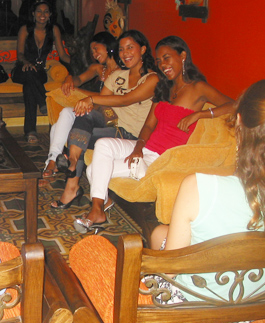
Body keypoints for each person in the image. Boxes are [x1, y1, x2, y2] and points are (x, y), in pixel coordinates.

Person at [74, 35, 234, 232]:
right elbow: (149, 126)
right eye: (159, 61)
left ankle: (98, 209)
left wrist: (201, 114)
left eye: (167, 58)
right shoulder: (164, 88)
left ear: (182, 55)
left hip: (161, 159)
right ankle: (99, 208)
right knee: (102, 146)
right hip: (145, 149)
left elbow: (234, 105)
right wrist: (138, 148)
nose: (163, 65)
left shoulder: (197, 88)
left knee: (93, 171)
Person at [146, 79, 264, 316]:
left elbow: (168, 272)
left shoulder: (197, 187)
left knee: (156, 239)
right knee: (161, 231)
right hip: (256, 309)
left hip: (198, 313)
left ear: (238, 122)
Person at [50, 30, 158, 209]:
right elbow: (101, 104)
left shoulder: (152, 78)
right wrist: (86, 103)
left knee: (80, 134)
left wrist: (91, 99)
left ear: (143, 49)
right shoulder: (117, 76)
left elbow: (126, 99)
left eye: (130, 47)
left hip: (130, 135)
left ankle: (72, 186)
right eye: (122, 49)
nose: (125, 53)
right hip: (112, 124)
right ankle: (73, 162)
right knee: (84, 116)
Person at [42, 31, 120, 180]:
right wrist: (69, 78)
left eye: (97, 49)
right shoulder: (99, 69)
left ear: (108, 46)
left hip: (110, 115)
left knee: (62, 119)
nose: (95, 53)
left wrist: (80, 93)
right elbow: (79, 79)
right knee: (59, 122)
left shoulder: (122, 71)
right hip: (95, 110)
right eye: (92, 51)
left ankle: (51, 162)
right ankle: (52, 161)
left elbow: (105, 98)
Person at [12, 0, 70, 143]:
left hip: (38, 73)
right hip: (21, 70)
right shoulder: (25, 29)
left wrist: (78, 63)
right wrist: (26, 62)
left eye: (45, 12)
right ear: (33, 14)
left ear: (50, 14)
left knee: (29, 87)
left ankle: (30, 131)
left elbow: (62, 55)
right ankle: (44, 102)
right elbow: (19, 54)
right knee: (29, 74)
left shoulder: (53, 30)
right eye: (39, 11)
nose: (42, 14)